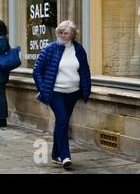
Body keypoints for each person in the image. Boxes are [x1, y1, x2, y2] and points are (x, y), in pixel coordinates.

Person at [33, 20, 91, 169]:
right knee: (63, 119)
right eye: (60, 32)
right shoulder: (50, 49)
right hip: (55, 92)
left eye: (66, 33)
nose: (62, 35)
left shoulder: (79, 49)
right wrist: (43, 88)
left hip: (72, 92)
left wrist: (86, 89)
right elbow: (37, 70)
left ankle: (55, 154)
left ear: (72, 35)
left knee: (62, 123)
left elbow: (85, 70)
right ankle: (65, 156)